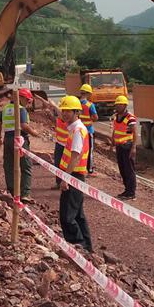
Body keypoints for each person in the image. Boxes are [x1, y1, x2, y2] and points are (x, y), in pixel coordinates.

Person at [56, 95, 93, 253]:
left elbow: (75, 156)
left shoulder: (78, 130)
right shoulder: (74, 128)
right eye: (63, 110)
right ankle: (87, 246)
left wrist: (66, 178)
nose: (64, 114)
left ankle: (77, 245)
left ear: (76, 112)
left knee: (67, 215)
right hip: (74, 176)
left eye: (68, 111)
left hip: (74, 176)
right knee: (78, 214)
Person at [0, 89, 35, 202]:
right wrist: (34, 133)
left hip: (7, 138)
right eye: (27, 100)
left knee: (8, 165)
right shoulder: (20, 109)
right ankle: (25, 193)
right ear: (21, 98)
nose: (28, 103)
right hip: (20, 139)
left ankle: (12, 192)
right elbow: (23, 126)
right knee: (25, 166)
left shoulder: (5, 108)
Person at [111, 95, 137, 200]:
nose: (117, 106)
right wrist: (113, 139)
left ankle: (131, 192)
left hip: (127, 146)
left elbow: (134, 133)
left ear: (125, 105)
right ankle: (127, 190)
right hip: (119, 146)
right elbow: (115, 129)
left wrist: (133, 148)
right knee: (122, 169)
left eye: (119, 104)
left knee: (129, 170)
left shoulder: (130, 118)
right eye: (116, 104)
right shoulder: (116, 116)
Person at [77, 83, 100, 174]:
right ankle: (89, 169)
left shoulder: (76, 103)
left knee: (79, 149)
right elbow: (95, 117)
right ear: (87, 93)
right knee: (89, 150)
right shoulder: (90, 105)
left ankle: (79, 167)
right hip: (88, 131)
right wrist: (89, 119)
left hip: (78, 131)